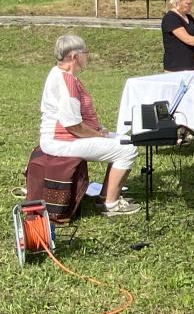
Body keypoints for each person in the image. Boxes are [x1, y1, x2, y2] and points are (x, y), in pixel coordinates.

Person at [39, 34, 139, 217]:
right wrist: (98, 135)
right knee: (127, 150)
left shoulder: (58, 73)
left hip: (63, 137)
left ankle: (105, 196)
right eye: (85, 52)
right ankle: (111, 204)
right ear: (74, 56)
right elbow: (73, 126)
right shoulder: (66, 82)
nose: (88, 56)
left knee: (125, 140)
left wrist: (98, 130)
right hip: (61, 141)